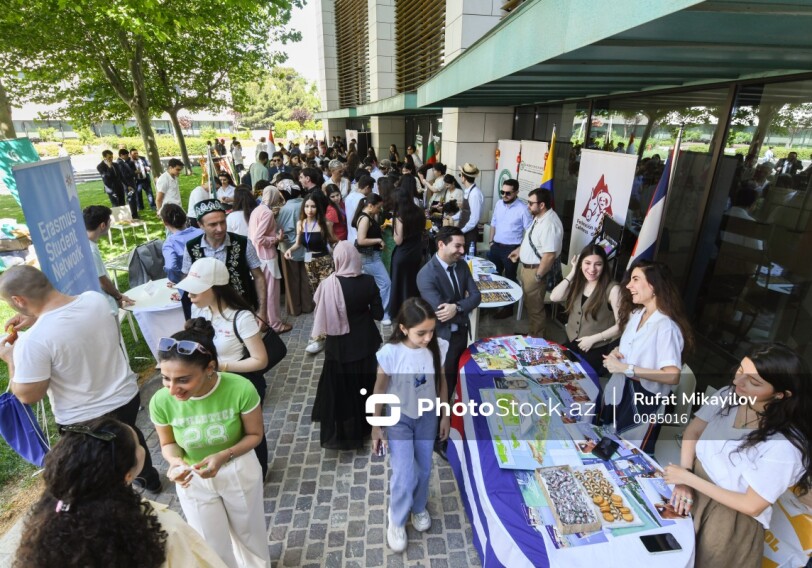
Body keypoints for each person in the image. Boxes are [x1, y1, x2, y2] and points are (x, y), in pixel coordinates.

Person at [0, 265, 161, 491]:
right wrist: (36, 317)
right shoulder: (94, 300)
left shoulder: (32, 341)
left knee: (101, 471)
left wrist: (10, 358)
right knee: (131, 437)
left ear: (18, 300)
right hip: (126, 398)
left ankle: (120, 507)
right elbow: (70, 325)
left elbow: (28, 395)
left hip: (86, 421)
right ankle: (149, 479)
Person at [663, 344, 812, 568]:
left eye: (754, 382)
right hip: (690, 495)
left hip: (729, 523)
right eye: (741, 371)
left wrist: (687, 479)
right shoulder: (727, 395)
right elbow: (693, 431)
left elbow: (752, 505)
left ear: (781, 394)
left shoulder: (785, 445)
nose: (737, 382)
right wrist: (685, 476)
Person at [12, 416, 227, 568]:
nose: (141, 447)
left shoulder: (48, 523)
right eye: (138, 444)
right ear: (128, 475)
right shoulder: (165, 531)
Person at [150, 320, 269, 568]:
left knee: (250, 536)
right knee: (209, 542)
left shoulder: (240, 388)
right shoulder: (160, 401)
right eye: (165, 379)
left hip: (238, 468)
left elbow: (255, 435)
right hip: (193, 478)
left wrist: (224, 455)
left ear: (210, 368)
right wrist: (176, 462)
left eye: (183, 380)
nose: (173, 389)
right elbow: (168, 443)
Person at [175, 257, 271, 478]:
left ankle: (258, 472)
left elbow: (260, 360)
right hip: (209, 385)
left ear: (216, 289)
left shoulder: (241, 317)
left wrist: (221, 367)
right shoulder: (198, 311)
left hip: (239, 385)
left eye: (195, 291)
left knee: (248, 432)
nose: (189, 296)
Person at [371, 297, 450, 553]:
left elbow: (441, 382)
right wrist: (376, 426)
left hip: (427, 417)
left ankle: (418, 506)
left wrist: (445, 414)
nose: (428, 338)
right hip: (399, 420)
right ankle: (396, 518)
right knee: (404, 473)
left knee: (424, 468)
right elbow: (380, 389)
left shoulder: (436, 347)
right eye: (421, 333)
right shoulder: (391, 353)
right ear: (403, 328)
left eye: (431, 331)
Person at [601, 259, 694, 453]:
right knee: (607, 444)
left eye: (635, 279)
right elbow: (630, 348)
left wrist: (626, 368)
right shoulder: (638, 314)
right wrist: (616, 354)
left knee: (628, 455)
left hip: (642, 402)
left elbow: (672, 375)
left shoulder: (666, 326)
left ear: (654, 285)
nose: (628, 286)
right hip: (621, 391)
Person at [416, 226, 481, 459]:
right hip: (442, 342)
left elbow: (476, 296)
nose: (463, 251)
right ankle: (435, 437)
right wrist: (460, 306)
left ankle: (447, 424)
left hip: (460, 337)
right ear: (441, 245)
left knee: (453, 383)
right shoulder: (426, 274)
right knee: (440, 388)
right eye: (458, 246)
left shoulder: (462, 266)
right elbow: (441, 313)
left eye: (463, 246)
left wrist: (458, 307)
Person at [311, 242, 383, 449]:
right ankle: (367, 421)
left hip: (339, 344)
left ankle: (347, 427)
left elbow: (320, 312)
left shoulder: (328, 285)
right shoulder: (368, 282)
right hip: (365, 341)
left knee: (342, 387)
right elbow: (378, 314)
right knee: (364, 384)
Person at [182, 199, 266, 317]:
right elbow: (188, 280)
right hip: (207, 315)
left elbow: (259, 277)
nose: (220, 228)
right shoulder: (191, 247)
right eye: (213, 224)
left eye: (223, 222)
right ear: (200, 225)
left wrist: (262, 311)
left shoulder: (243, 243)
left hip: (241, 311)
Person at [549, 244, 620, 373]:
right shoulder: (579, 282)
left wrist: (594, 339)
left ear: (604, 266)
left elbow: (622, 325)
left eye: (598, 264)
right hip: (572, 341)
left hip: (596, 348)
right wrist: (573, 272)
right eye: (587, 263)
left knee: (584, 384)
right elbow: (554, 297)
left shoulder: (613, 289)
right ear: (580, 263)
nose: (592, 269)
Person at [284, 193, 337, 354]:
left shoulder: (326, 224)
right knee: (317, 298)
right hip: (309, 263)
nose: (309, 209)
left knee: (326, 298)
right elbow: (298, 244)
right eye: (307, 206)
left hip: (325, 262)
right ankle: (323, 332)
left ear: (318, 208)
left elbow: (334, 241)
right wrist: (289, 250)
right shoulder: (301, 223)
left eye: (313, 206)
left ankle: (324, 334)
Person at [508, 188, 563, 337]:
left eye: (531, 203)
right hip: (528, 269)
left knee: (536, 310)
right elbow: (533, 240)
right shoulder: (539, 217)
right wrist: (520, 251)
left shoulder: (549, 224)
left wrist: (538, 276)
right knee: (531, 307)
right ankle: (533, 334)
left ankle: (537, 341)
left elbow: (549, 255)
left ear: (542, 205)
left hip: (536, 271)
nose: (528, 206)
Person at [248, 186, 292, 334]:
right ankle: (275, 324)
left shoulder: (257, 209)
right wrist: (276, 239)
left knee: (264, 291)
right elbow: (258, 237)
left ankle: (265, 321)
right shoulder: (266, 212)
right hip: (266, 255)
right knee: (272, 291)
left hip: (258, 255)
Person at [487, 178, 532, 319]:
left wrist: (519, 249)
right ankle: (492, 304)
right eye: (502, 192)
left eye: (508, 193)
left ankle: (508, 308)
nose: (504, 196)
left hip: (511, 249)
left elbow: (530, 232)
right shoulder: (499, 204)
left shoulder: (523, 209)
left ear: (517, 192)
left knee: (509, 279)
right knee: (492, 276)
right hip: (496, 246)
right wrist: (490, 241)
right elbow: (493, 223)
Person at [83, 205, 135, 315]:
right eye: (109, 221)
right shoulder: (91, 250)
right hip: (105, 307)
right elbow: (102, 281)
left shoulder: (86, 243)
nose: (110, 224)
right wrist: (118, 296)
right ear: (103, 225)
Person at [353, 193, 391, 325]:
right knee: (385, 284)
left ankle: (377, 311)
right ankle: (383, 313)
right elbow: (361, 240)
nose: (379, 210)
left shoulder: (367, 216)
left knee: (374, 286)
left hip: (370, 257)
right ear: (370, 206)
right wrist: (378, 239)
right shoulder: (365, 218)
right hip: (370, 258)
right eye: (378, 207)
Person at [277, 184, 315, 316]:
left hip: (289, 248)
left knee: (292, 280)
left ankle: (295, 309)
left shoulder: (285, 209)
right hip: (306, 247)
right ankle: (307, 305)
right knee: (306, 278)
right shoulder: (306, 204)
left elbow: (279, 229)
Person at [389, 186, 426, 320]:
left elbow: (398, 241)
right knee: (411, 284)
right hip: (416, 252)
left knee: (399, 284)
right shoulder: (419, 212)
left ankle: (400, 313)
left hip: (403, 253)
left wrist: (392, 231)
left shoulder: (399, 217)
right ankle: (414, 311)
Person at [161, 204, 203, 319]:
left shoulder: (169, 243)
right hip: (209, 280)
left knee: (196, 322)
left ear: (165, 223)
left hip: (189, 288)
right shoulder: (201, 232)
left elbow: (170, 267)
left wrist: (179, 280)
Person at [458, 163, 484, 252]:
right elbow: (464, 211)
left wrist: (462, 231)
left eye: (460, 175)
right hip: (463, 229)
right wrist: (452, 217)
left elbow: (474, 219)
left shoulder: (475, 194)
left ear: (463, 177)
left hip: (469, 233)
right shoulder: (468, 191)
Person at [345, 175, 374, 244]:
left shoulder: (349, 196)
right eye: (371, 188)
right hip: (361, 237)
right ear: (367, 187)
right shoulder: (364, 200)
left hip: (350, 236)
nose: (371, 191)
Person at [116, 148, 140, 219]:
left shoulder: (126, 161)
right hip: (127, 184)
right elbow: (124, 175)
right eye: (126, 155)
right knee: (131, 199)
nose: (128, 157)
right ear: (121, 155)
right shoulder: (120, 163)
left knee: (133, 199)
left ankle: (134, 213)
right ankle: (133, 214)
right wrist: (134, 173)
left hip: (131, 182)